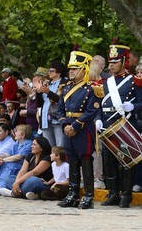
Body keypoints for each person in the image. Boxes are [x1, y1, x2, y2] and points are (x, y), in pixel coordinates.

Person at [96, 40, 142, 208]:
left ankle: (126, 195)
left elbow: (141, 103)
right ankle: (113, 193)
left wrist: (134, 107)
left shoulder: (133, 81)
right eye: (110, 62)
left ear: (123, 62)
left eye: (115, 62)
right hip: (107, 124)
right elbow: (100, 104)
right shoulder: (105, 82)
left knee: (126, 161)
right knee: (108, 161)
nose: (112, 65)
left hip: (125, 124)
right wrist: (98, 119)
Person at [56, 50, 102, 209]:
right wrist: (64, 125)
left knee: (86, 160)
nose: (72, 71)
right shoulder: (66, 88)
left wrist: (75, 126)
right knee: (72, 161)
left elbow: (92, 111)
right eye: (71, 68)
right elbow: (59, 110)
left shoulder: (92, 88)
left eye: (75, 68)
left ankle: (89, 195)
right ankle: (73, 193)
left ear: (85, 70)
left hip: (83, 129)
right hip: (67, 128)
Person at [0, 124, 32, 195]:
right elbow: (8, 154)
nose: (15, 133)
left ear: (23, 135)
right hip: (12, 163)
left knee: (8, 165)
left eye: (17, 132)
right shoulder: (16, 143)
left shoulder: (28, 144)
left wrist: (4, 160)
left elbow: (19, 156)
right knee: (0, 164)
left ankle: (4, 188)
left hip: (20, 166)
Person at [35, 62, 69, 149]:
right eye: (49, 70)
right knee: (48, 147)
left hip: (58, 119)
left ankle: (61, 162)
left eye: (52, 71)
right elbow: (39, 104)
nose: (49, 72)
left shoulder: (65, 83)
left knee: (60, 147)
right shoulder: (48, 83)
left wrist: (48, 92)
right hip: (45, 119)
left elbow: (61, 100)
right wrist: (38, 91)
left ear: (59, 72)